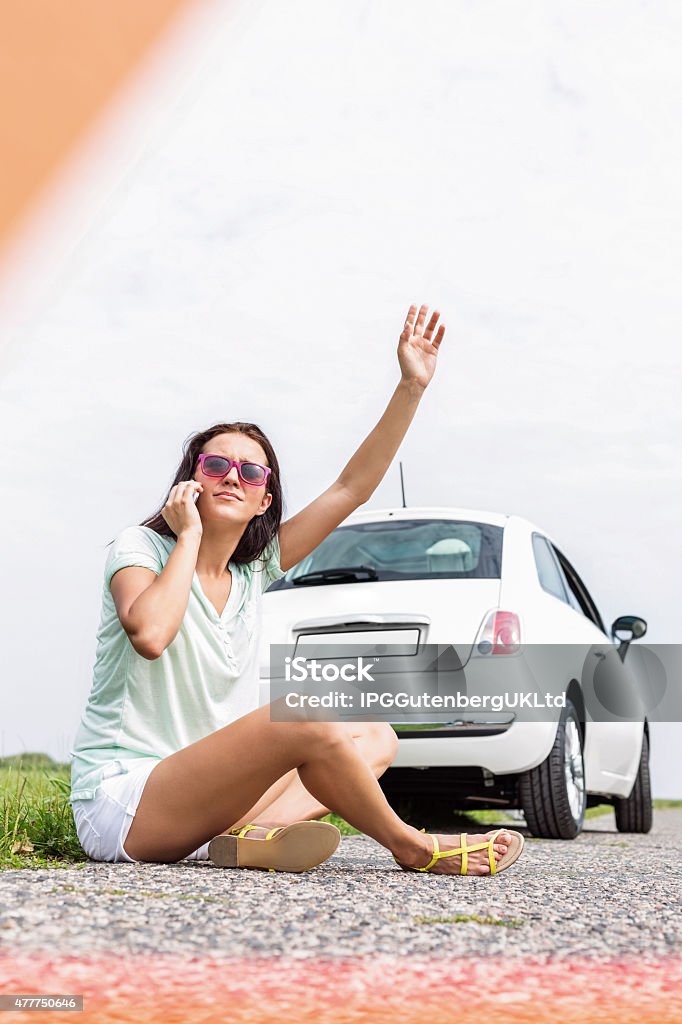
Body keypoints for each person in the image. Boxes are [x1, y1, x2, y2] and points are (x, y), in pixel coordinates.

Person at [69, 304, 525, 875]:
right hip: (125, 806)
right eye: (216, 465)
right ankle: (412, 844)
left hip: (202, 799)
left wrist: (411, 386)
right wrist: (186, 537)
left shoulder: (253, 571)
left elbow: (350, 488)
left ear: (264, 500)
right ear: (190, 483)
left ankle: (248, 837)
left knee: (375, 735)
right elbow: (151, 634)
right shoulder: (140, 548)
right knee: (304, 713)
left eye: (251, 472)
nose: (233, 475)